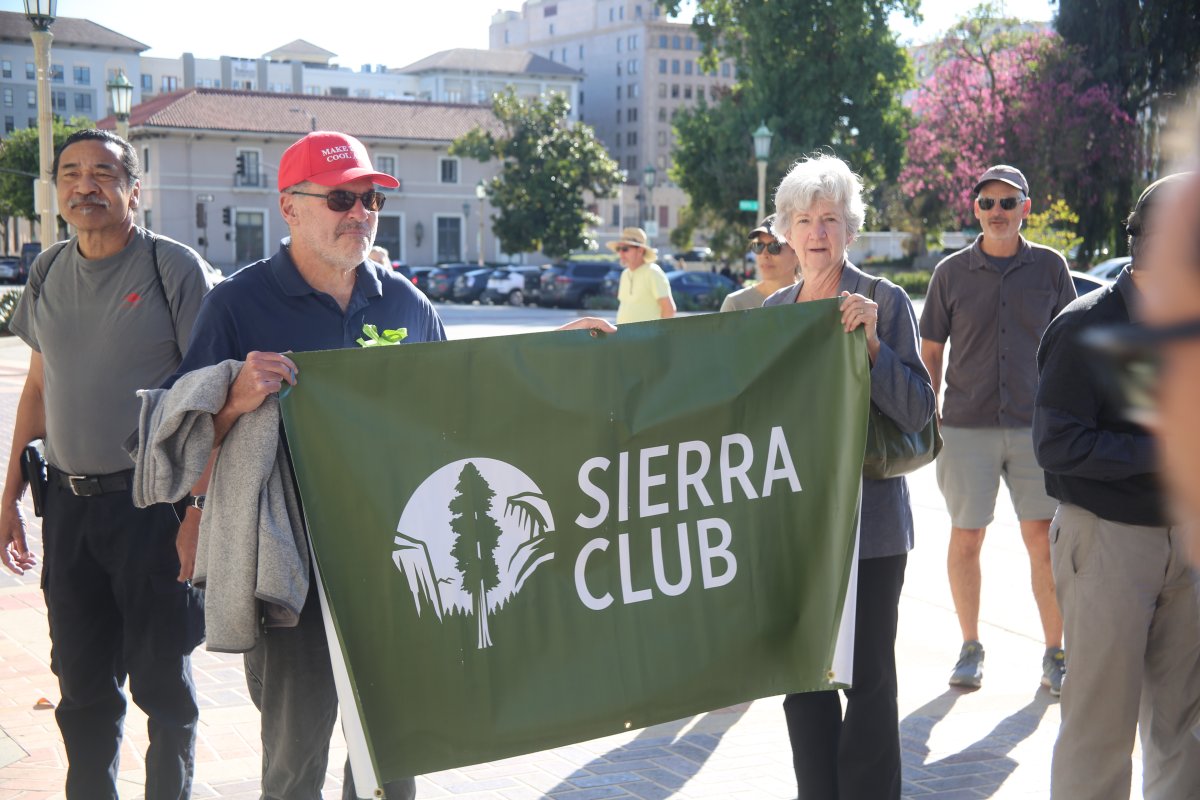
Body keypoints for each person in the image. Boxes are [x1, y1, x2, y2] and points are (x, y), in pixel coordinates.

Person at [167, 130, 612, 799]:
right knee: (294, 762)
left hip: (400, 564)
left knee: (394, 756)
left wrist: (552, 352)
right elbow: (183, 436)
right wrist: (231, 400)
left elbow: (461, 399)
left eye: (370, 199)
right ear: (289, 208)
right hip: (294, 572)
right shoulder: (237, 303)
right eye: (341, 197)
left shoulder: (405, 302)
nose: (360, 213)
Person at [0, 129, 210, 799]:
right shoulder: (48, 270)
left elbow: (213, 398)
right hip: (66, 507)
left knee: (161, 681)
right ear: (56, 188)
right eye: (70, 173)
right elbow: (38, 386)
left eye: (102, 173)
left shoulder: (172, 268)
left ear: (133, 189)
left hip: (154, 508)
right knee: (82, 683)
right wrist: (7, 496)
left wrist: (199, 510)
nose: (84, 185)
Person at [763, 154, 935, 799]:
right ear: (784, 230)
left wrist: (873, 347)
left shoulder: (884, 301)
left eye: (830, 218)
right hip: (795, 529)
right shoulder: (771, 312)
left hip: (872, 527)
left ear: (850, 229)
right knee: (804, 678)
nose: (816, 231)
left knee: (867, 683)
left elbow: (919, 410)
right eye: (803, 218)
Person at [1034, 173, 1200, 798]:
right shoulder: (1085, 327)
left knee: (1184, 728)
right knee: (1101, 729)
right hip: (1105, 542)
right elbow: (1056, 445)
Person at [919, 164, 1076, 693]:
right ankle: (970, 647)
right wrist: (928, 408)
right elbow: (932, 349)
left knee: (1043, 540)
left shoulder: (1052, 269)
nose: (998, 212)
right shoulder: (950, 274)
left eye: (1008, 203)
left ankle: (1056, 653)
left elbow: (1071, 347)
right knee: (967, 537)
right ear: (975, 210)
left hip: (1037, 428)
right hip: (966, 425)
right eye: (988, 203)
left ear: (1026, 208)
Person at [720, 214, 799, 311]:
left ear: (797, 253)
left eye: (774, 246)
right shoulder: (735, 304)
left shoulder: (811, 300)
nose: (764, 254)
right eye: (759, 245)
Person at [609, 226, 676, 323]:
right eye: (619, 249)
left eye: (625, 249)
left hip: (648, 338)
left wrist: (657, 335)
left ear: (640, 250)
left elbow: (669, 310)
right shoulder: (625, 274)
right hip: (626, 337)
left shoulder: (653, 272)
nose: (620, 253)